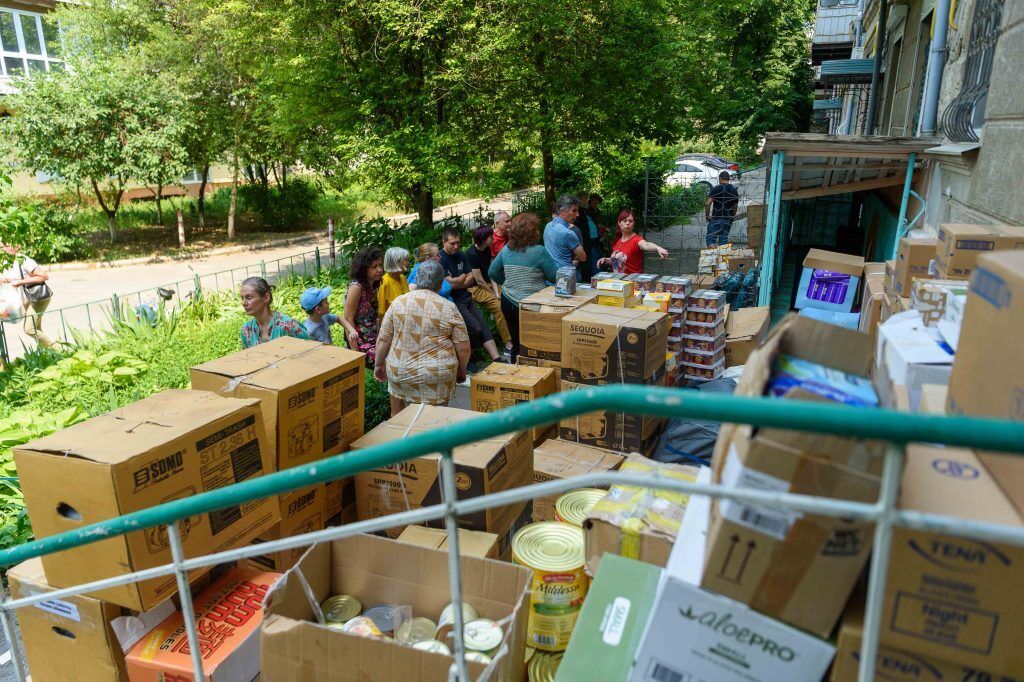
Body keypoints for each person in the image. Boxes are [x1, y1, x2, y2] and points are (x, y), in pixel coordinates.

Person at [374, 260, 471, 417]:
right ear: (440, 284)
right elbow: (463, 347)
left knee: (397, 418)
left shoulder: (399, 302)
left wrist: (379, 365)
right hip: (436, 376)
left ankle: (398, 436)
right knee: (433, 423)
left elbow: (383, 339)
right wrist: (461, 370)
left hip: (400, 372)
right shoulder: (448, 308)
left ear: (417, 280)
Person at [489, 212, 558, 359]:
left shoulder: (506, 250)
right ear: (533, 232)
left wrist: (508, 282)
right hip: (532, 304)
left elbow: (492, 272)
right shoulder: (539, 251)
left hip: (508, 301)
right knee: (535, 344)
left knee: (517, 344)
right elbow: (554, 276)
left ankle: (515, 374)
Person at [438, 225, 504, 367]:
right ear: (444, 242)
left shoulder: (461, 254)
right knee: (475, 328)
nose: (456, 246)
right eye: (452, 243)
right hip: (454, 302)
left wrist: (459, 281)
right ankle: (466, 360)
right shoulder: (441, 258)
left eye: (458, 242)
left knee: (483, 326)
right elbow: (450, 285)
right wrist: (462, 279)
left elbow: (470, 278)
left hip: (466, 296)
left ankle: (497, 359)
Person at [466, 225, 513, 358]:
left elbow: (491, 272)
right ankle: (508, 344)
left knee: (509, 298)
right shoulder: (471, 254)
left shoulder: (486, 249)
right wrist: (494, 294)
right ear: (484, 239)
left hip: (487, 284)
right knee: (499, 307)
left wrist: (497, 291)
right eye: (491, 237)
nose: (493, 238)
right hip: (475, 288)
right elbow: (479, 280)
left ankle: (515, 333)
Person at [0, 242, 55, 349]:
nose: (3, 250)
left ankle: (56, 347)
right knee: (37, 330)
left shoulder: (24, 260)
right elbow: (12, 278)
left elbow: (44, 276)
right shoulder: (6, 263)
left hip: (38, 298)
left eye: (6, 246)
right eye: (2, 247)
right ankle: (49, 354)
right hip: (27, 300)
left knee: (29, 329)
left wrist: (20, 282)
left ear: (16, 247)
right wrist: (5, 280)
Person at [239, 276, 310, 348]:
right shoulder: (246, 330)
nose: (244, 303)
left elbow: (311, 350)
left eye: (249, 298)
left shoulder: (286, 326)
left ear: (266, 298)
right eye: (242, 298)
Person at [341, 247, 383, 363]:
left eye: (380, 265)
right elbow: (348, 319)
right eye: (374, 267)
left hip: (375, 335)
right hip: (361, 340)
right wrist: (355, 353)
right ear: (364, 269)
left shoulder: (375, 284)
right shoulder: (356, 288)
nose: (379, 269)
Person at [598, 209, 670, 275]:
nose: (628, 223)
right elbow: (619, 260)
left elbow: (646, 244)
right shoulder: (618, 241)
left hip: (633, 284)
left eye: (630, 221)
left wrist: (657, 248)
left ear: (634, 223)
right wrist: (606, 260)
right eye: (625, 221)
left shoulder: (636, 240)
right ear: (619, 223)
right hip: (618, 283)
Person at [543, 194, 587, 277]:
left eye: (577, 211)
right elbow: (583, 257)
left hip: (550, 275)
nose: (577, 214)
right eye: (574, 210)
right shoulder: (568, 233)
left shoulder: (547, 226)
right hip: (566, 278)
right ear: (562, 211)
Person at [705, 170, 739, 247]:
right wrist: (732, 216)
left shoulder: (715, 189)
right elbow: (735, 206)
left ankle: (713, 256)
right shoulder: (734, 190)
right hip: (727, 219)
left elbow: (707, 204)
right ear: (729, 179)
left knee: (710, 239)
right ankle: (721, 257)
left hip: (716, 218)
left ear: (719, 178)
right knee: (723, 242)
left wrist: (707, 215)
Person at [377, 247, 410, 316]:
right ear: (396, 262)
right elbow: (381, 312)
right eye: (406, 260)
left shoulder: (403, 278)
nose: (409, 263)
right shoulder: (383, 283)